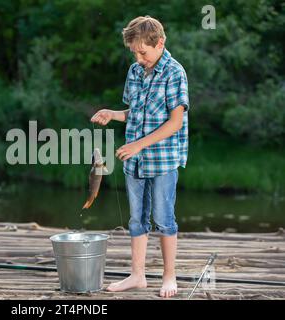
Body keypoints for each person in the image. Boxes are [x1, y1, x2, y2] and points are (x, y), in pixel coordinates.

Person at [91, 16, 190, 298]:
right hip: (134, 160)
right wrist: (113, 114)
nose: (138, 57)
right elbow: (135, 112)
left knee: (164, 218)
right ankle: (137, 275)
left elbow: (175, 123)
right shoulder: (135, 71)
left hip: (162, 160)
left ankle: (169, 276)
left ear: (159, 43)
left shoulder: (174, 72)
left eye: (143, 52)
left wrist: (138, 145)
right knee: (137, 219)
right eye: (134, 52)